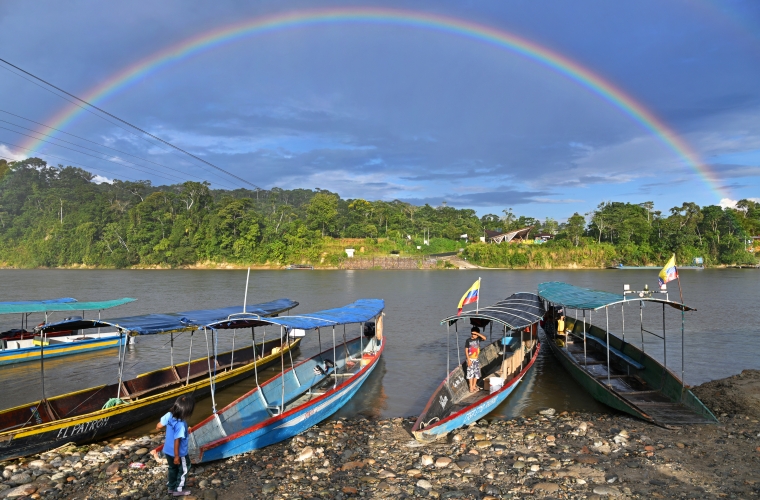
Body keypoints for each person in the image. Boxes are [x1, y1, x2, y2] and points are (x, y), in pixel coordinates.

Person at [161, 395, 195, 496]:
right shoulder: (181, 425)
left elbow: (159, 425)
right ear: (187, 412)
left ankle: (171, 487)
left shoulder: (168, 415)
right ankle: (179, 489)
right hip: (179, 454)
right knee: (185, 468)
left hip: (167, 450)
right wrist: (177, 456)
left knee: (172, 468)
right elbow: (177, 441)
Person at [465, 326, 486, 393]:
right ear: (471, 333)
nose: (475, 336)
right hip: (470, 359)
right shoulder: (468, 340)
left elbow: (484, 338)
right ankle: (471, 387)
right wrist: (468, 360)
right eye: (473, 334)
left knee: (476, 374)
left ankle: (474, 386)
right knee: (470, 374)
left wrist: (478, 334)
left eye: (476, 334)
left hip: (476, 359)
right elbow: (466, 350)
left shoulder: (478, 339)